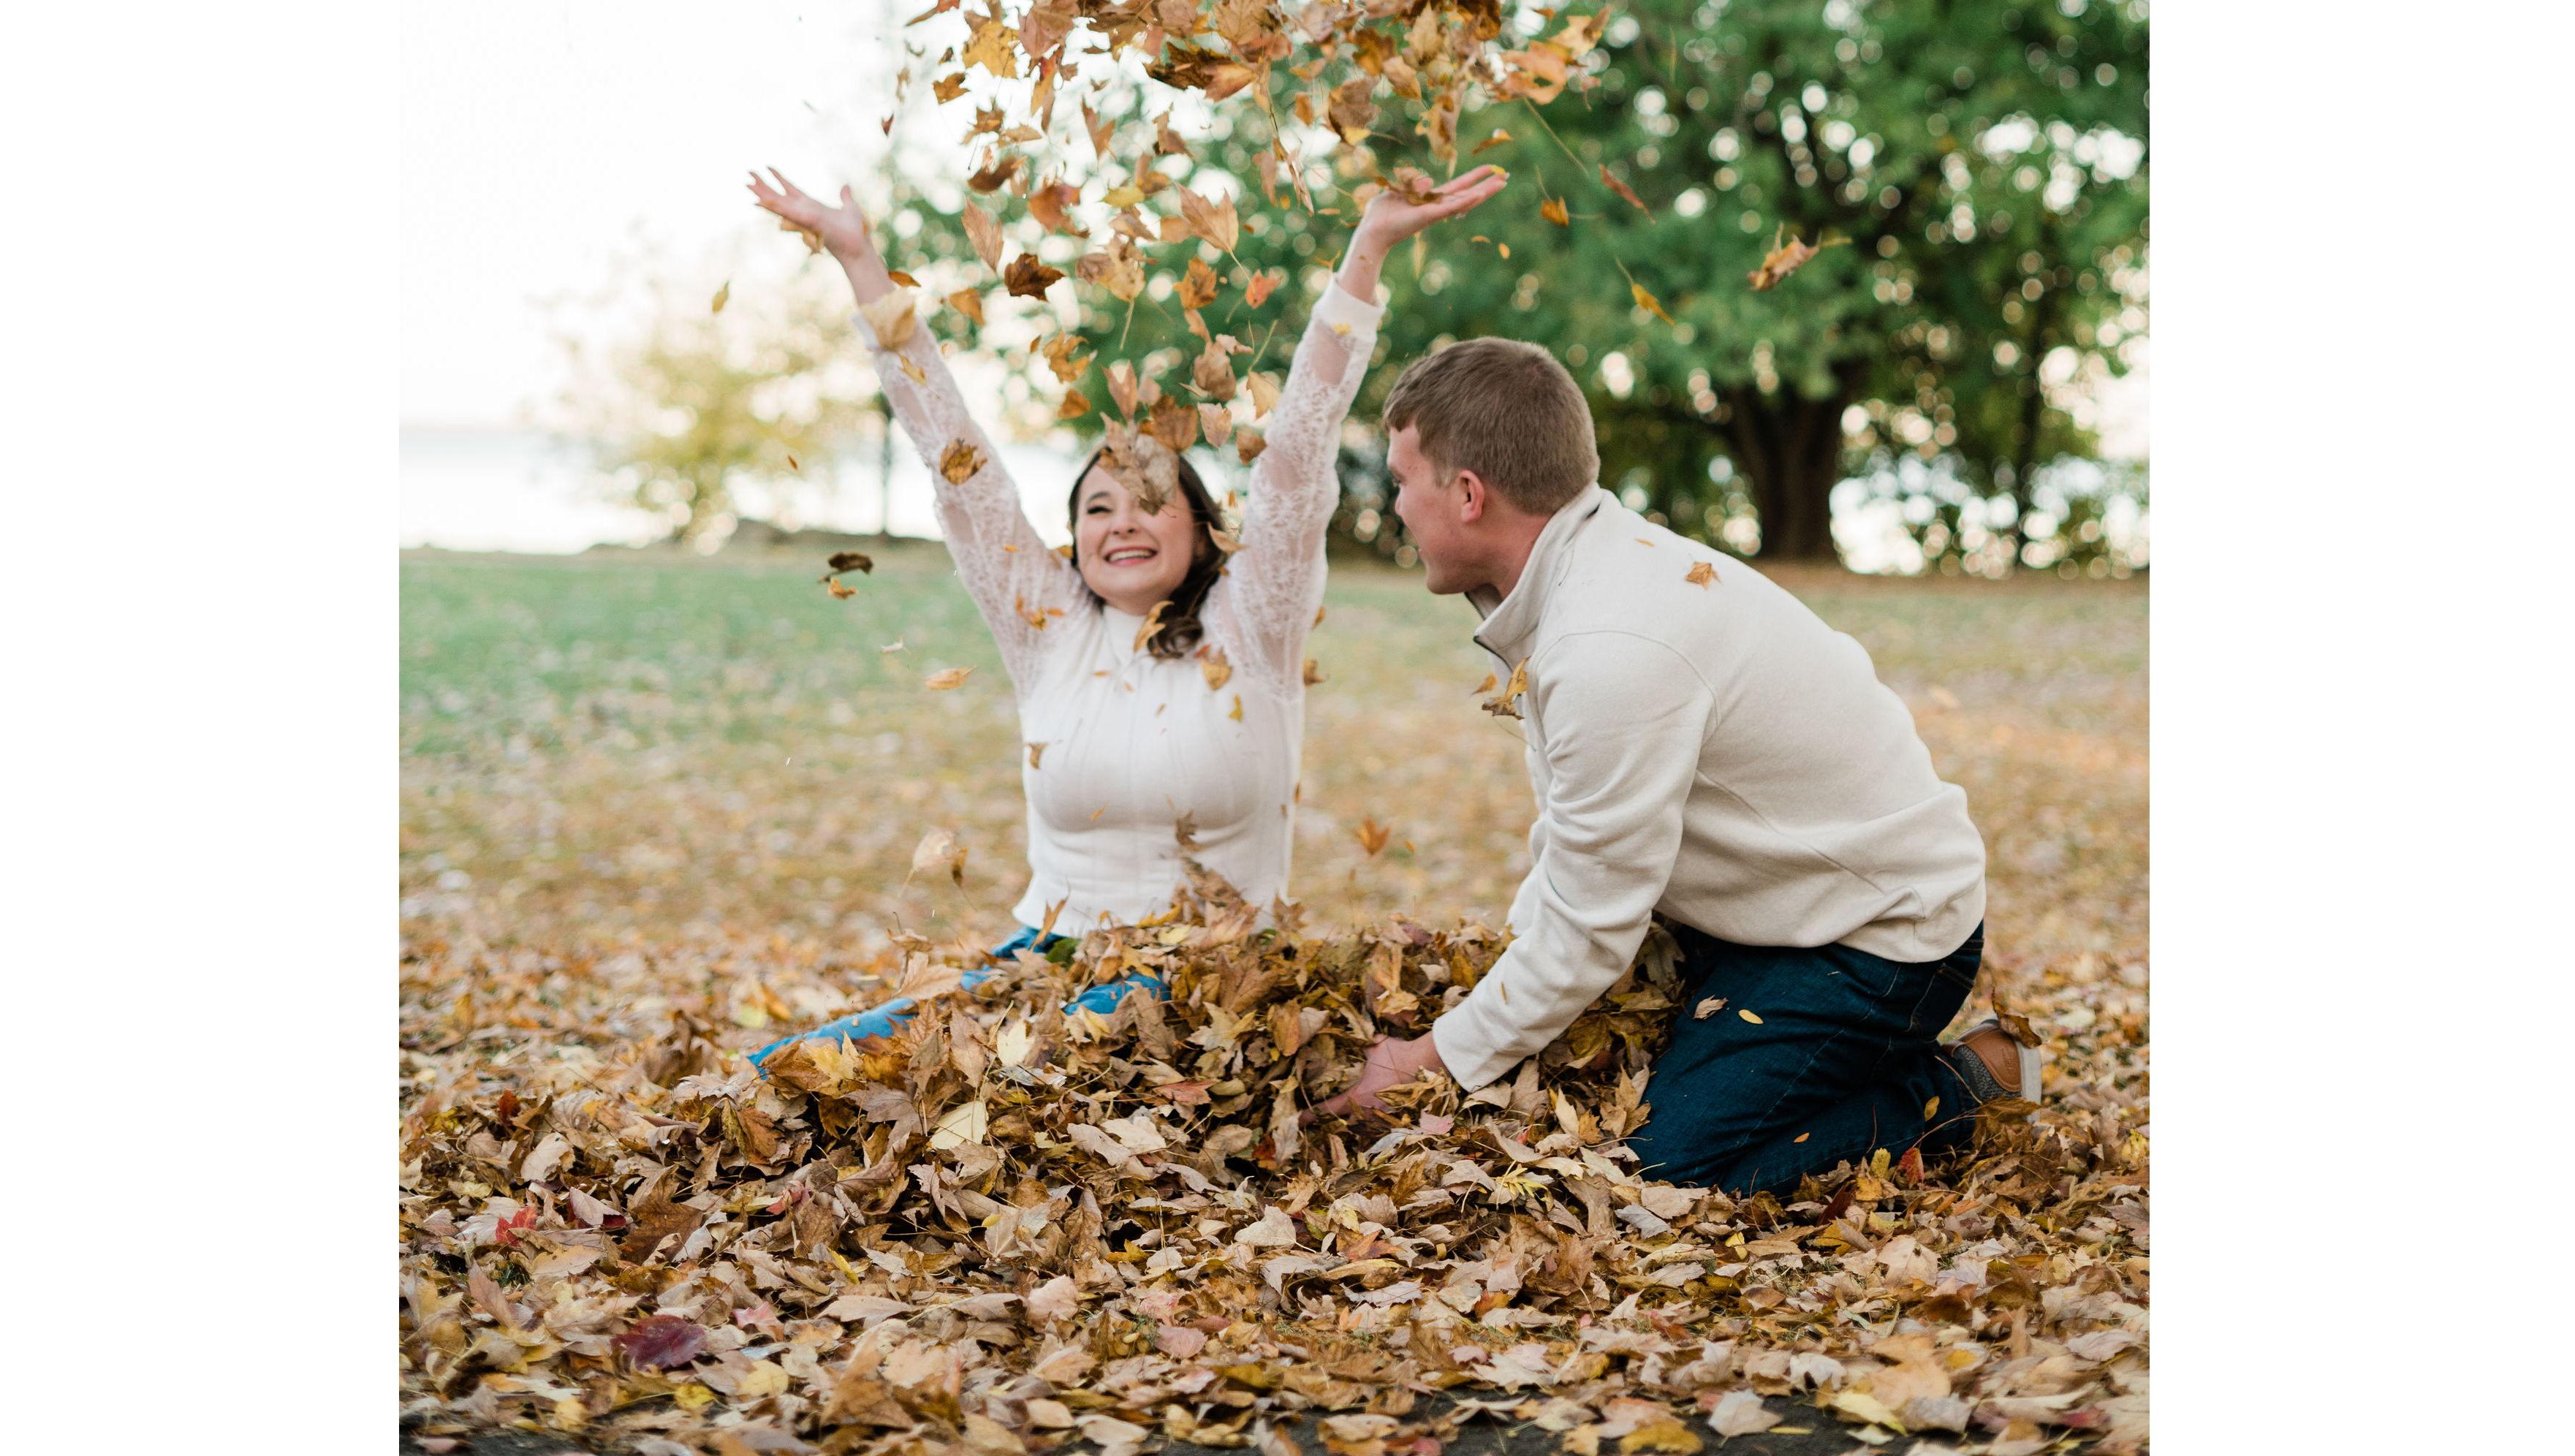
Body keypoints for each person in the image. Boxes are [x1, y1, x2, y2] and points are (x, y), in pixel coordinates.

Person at [738, 155, 1506, 1051]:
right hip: (1046, 959)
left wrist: (1365, 255)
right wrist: (862, 266)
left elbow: (1297, 454)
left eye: (1149, 498)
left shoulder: (1252, 621)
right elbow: (961, 470)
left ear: (1199, 524)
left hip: (1211, 983)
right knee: (800, 1066)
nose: (1121, 522)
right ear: (1075, 539)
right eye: (1097, 507)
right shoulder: (1049, 629)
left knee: (1027, 1065)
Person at [1324, 335, 2039, 1193]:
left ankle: (1968, 1079)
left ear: (1469, 495)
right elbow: (1577, 845)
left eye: (1403, 481)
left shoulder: (1608, 645)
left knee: (1661, 1174)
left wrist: (1431, 1060)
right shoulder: (1591, 573)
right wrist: (1487, 1009)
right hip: (1761, 911)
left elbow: (1592, 922)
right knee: (1580, 1088)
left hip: (1878, 938)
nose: (1396, 504)